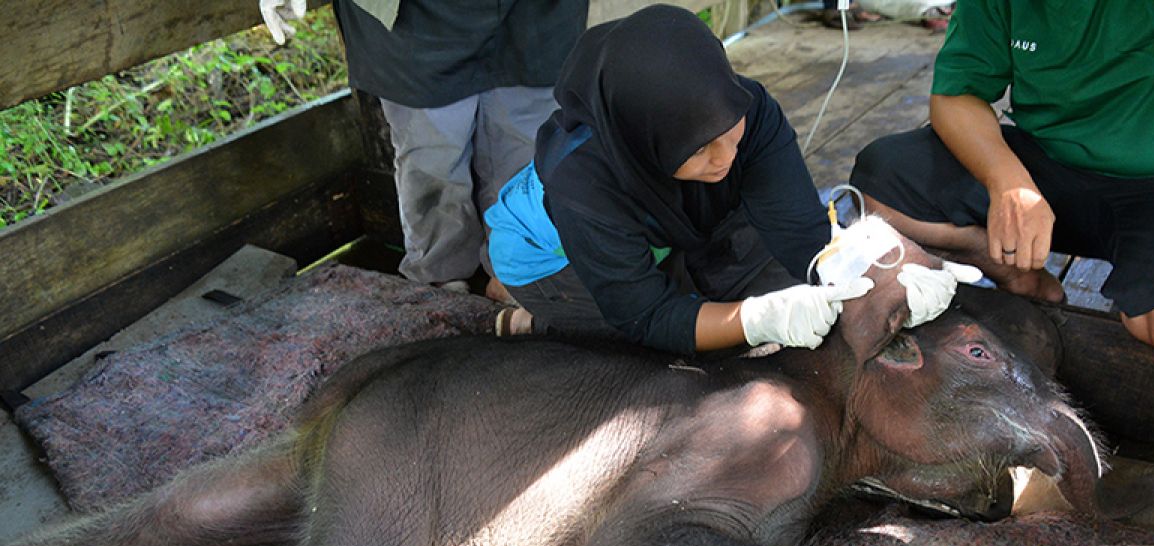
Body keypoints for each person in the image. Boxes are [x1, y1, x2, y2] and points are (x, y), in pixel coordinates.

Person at [485, 5, 968, 355]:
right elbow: (647, 314)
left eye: (729, 130)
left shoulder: (748, 110)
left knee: (781, 276)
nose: (724, 158)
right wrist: (754, 320)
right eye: (697, 149)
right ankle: (538, 316)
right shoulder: (583, 183)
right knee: (662, 347)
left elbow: (801, 236)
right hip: (548, 259)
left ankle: (682, 274)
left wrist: (876, 273)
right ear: (645, 142)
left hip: (665, 226)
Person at [849, 0, 1154, 363]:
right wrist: (1009, 183)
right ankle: (1021, 277)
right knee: (884, 180)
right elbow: (957, 94)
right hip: (1046, 162)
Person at [260, 0, 588, 293]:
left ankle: (518, 277)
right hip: (415, 19)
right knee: (431, 157)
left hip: (538, 14)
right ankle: (440, 279)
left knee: (527, 152)